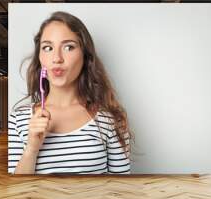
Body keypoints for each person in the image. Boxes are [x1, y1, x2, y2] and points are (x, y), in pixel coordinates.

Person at [8, 11, 133, 174]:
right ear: (40, 57)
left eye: (68, 47)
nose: (57, 58)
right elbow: (15, 194)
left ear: (85, 56)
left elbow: (121, 190)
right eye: (47, 47)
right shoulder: (17, 119)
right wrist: (31, 149)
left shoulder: (111, 119)